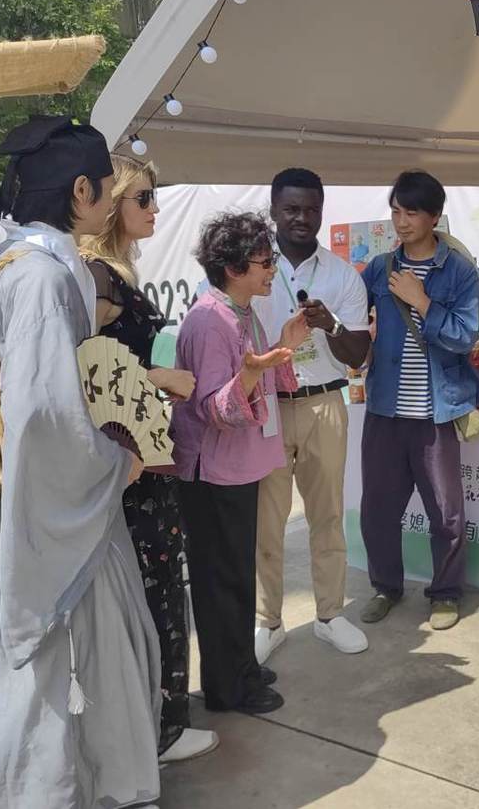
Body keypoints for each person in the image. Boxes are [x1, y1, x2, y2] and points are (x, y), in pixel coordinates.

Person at [0, 117, 160, 808]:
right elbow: (44, 413)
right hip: (61, 499)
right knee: (48, 664)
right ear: (80, 191)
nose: (109, 200)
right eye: (104, 188)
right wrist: (112, 463)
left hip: (58, 495)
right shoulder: (40, 277)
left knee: (83, 658)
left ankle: (96, 787)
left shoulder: (29, 264)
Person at [79, 154, 219, 762]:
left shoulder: (115, 272)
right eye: (144, 199)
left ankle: (160, 719)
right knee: (154, 582)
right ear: (112, 204)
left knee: (160, 579)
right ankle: (161, 728)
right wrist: (158, 373)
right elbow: (77, 369)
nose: (156, 210)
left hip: (140, 447)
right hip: (126, 459)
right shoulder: (95, 276)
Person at [172, 212, 308, 715]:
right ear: (233, 267)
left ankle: (239, 668)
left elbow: (260, 381)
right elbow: (213, 408)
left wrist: (282, 350)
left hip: (237, 463)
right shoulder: (211, 321)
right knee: (220, 580)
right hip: (214, 469)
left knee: (234, 574)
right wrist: (255, 371)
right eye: (265, 262)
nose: (273, 270)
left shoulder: (241, 312)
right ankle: (227, 688)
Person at [253, 168, 372, 661]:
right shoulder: (252, 268)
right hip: (268, 406)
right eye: (292, 209)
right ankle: (268, 621)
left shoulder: (342, 274)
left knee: (326, 515)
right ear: (274, 211)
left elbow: (357, 354)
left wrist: (331, 324)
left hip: (325, 402)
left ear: (322, 211)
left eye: (311, 209)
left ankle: (329, 615)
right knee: (267, 520)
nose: (302, 218)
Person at [359, 170, 479, 631]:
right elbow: (357, 325)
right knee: (378, 509)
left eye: (412, 212)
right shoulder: (378, 268)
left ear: (434, 216)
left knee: (446, 512)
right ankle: (385, 587)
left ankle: (446, 593)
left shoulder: (458, 270)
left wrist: (422, 301)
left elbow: (465, 336)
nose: (402, 221)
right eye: (396, 210)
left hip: (437, 411)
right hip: (384, 410)